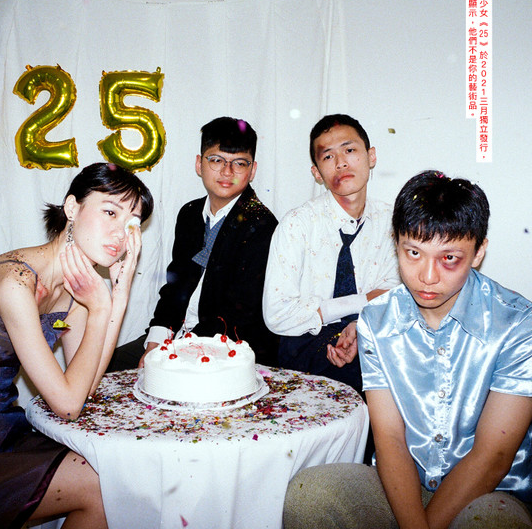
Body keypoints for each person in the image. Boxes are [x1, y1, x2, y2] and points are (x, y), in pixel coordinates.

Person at [283, 170, 532, 529]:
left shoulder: (517, 323)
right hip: (401, 482)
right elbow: (389, 440)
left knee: (493, 522)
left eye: (449, 258)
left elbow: (492, 456)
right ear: (396, 243)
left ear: (478, 252)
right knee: (311, 495)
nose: (427, 276)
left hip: (489, 491)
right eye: (413, 252)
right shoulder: (377, 320)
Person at [0, 162, 153, 529]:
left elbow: (86, 386)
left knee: (114, 481)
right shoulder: (16, 281)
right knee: (104, 489)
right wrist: (100, 308)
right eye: (110, 212)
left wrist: (120, 293)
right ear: (72, 208)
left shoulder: (75, 291)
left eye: (132, 223)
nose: (121, 233)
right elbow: (68, 406)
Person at [108, 116, 278, 370]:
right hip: (177, 337)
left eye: (239, 163)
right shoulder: (189, 213)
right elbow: (175, 287)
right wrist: (156, 341)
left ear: (252, 170)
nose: (227, 172)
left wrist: (173, 351)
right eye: (216, 160)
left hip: (227, 348)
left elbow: (240, 312)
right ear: (199, 164)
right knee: (107, 368)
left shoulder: (262, 225)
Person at [263, 113, 399, 393]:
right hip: (306, 344)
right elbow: (277, 313)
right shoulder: (297, 224)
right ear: (316, 173)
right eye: (328, 156)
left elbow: (394, 294)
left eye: (349, 150)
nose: (341, 163)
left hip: (369, 336)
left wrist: (360, 324)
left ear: (371, 156)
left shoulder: (392, 222)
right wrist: (361, 301)